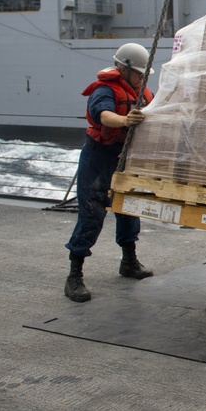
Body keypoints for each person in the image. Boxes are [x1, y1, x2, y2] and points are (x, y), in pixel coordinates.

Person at [63, 43, 156, 302]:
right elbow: (103, 116)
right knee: (92, 214)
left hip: (125, 158)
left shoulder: (142, 92)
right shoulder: (104, 90)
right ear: (124, 68)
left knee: (128, 207)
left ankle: (129, 261)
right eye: (139, 74)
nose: (142, 79)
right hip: (99, 157)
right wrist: (125, 120)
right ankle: (74, 276)